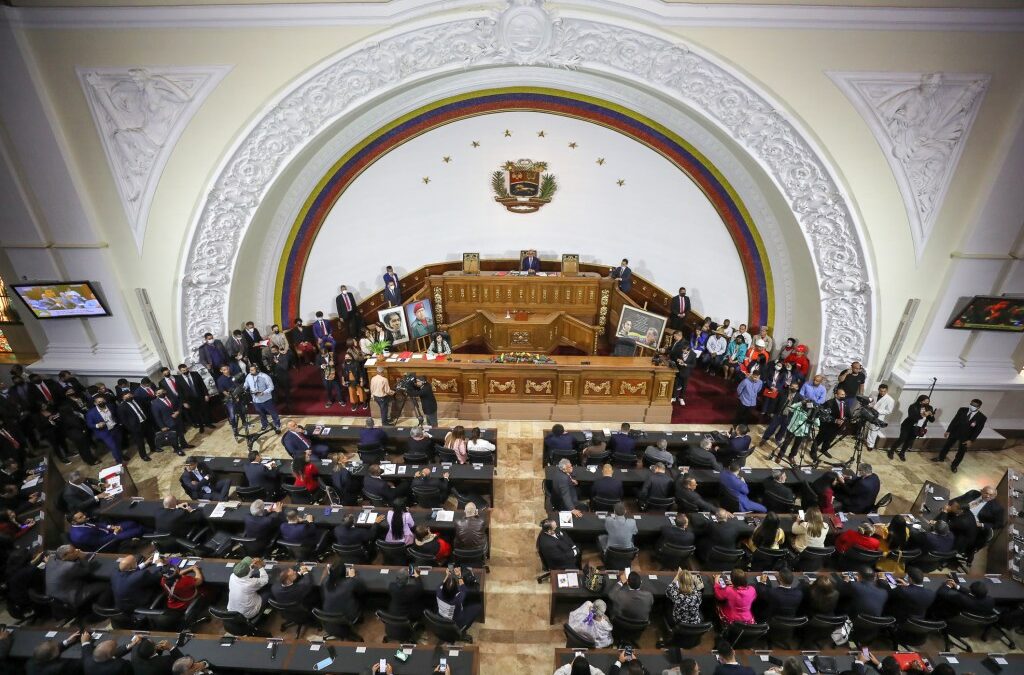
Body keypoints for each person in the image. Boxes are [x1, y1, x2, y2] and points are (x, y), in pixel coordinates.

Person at [46, 544, 109, 610]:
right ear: (65, 556)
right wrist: (82, 557)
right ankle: (100, 612)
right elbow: (87, 571)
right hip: (70, 598)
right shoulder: (70, 566)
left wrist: (76, 555)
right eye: (73, 551)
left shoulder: (50, 560)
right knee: (105, 586)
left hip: (54, 597)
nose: (77, 550)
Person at [933, 397, 987, 472]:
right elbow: (954, 420)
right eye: (971, 404)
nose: (972, 406)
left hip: (966, 437)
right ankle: (941, 457)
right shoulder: (962, 410)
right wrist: (948, 430)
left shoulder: (982, 417)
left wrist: (971, 440)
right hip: (955, 432)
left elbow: (978, 430)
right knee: (947, 445)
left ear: (978, 407)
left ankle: (954, 465)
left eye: (974, 405)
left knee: (961, 452)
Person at [810, 390, 850, 463]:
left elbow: (848, 414)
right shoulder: (829, 403)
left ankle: (824, 449)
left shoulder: (845, 403)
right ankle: (813, 452)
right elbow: (823, 415)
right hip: (827, 426)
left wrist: (844, 420)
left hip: (837, 427)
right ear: (836, 395)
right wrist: (835, 420)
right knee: (819, 439)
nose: (843, 396)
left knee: (830, 439)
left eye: (844, 395)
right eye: (841, 395)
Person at [892, 394, 935, 461]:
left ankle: (902, 453)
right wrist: (923, 414)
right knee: (902, 439)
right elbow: (912, 417)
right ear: (921, 401)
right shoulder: (913, 406)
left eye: (928, 402)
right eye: (925, 402)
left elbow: (932, 420)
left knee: (909, 441)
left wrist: (931, 414)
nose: (927, 403)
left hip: (917, 428)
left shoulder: (929, 408)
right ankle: (891, 451)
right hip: (907, 426)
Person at [150, 384, 190, 455]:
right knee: (173, 437)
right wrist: (162, 427)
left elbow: (179, 405)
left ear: (164, 392)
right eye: (158, 393)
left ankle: (184, 444)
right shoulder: (155, 404)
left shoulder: (171, 397)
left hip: (178, 419)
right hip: (168, 423)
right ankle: (177, 449)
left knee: (181, 433)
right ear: (156, 394)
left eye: (162, 392)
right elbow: (157, 417)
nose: (161, 394)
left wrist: (178, 412)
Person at [117, 390, 156, 462]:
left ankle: (153, 448)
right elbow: (124, 420)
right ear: (123, 398)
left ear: (132, 395)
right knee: (140, 442)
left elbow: (145, 408)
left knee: (150, 436)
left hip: (145, 422)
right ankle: (143, 455)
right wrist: (131, 428)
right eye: (126, 397)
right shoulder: (122, 407)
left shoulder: (138, 400)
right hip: (136, 426)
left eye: (129, 396)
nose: (128, 397)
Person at [86, 395, 124, 463]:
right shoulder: (91, 413)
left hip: (115, 428)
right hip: (105, 432)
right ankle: (119, 462)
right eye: (99, 402)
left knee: (118, 444)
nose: (102, 402)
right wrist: (97, 425)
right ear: (95, 403)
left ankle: (121, 455)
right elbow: (89, 424)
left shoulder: (111, 406)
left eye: (103, 401)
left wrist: (119, 422)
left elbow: (116, 415)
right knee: (113, 447)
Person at [243, 364, 281, 433]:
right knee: (261, 414)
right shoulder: (248, 376)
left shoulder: (265, 376)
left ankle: (277, 425)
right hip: (256, 400)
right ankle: (264, 424)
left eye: (252, 370)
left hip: (266, 400)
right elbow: (246, 384)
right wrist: (244, 388)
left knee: (273, 413)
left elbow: (271, 387)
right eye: (250, 370)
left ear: (257, 369)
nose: (250, 371)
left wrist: (263, 392)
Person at [174, 364, 210, 433]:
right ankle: (201, 426)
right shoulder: (178, 380)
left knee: (205, 411)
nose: (186, 371)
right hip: (190, 400)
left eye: (186, 369)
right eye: (183, 370)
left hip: (200, 397)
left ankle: (208, 423)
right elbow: (180, 393)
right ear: (180, 371)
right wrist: (184, 402)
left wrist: (206, 394)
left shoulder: (195, 374)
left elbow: (202, 385)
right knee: (196, 414)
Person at [865, 383, 895, 450]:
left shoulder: (890, 400)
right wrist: (869, 405)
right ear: (878, 389)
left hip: (878, 416)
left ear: (887, 391)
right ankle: (864, 438)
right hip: (869, 412)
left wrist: (878, 410)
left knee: (874, 430)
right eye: (881, 391)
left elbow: (889, 411)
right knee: (866, 426)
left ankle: (870, 445)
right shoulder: (873, 393)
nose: (882, 393)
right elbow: (869, 400)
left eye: (884, 391)